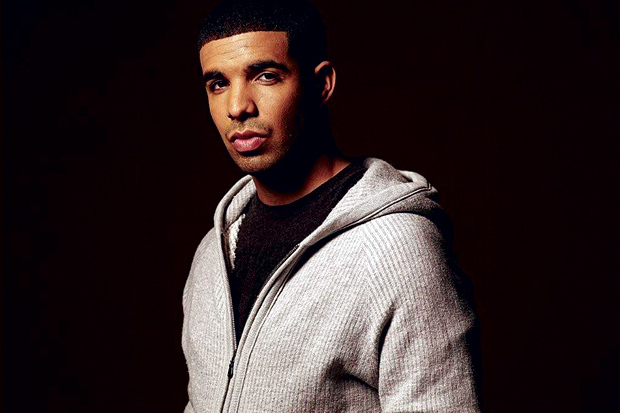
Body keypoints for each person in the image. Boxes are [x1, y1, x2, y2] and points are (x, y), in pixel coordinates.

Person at [182, 0, 481, 411]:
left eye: (266, 76)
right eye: (218, 83)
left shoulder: (399, 251)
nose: (237, 107)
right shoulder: (211, 256)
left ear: (321, 85)